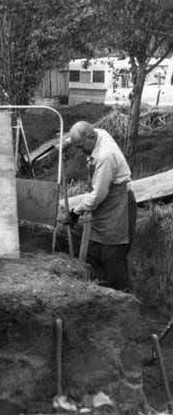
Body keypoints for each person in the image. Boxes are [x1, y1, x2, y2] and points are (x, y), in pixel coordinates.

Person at [67, 121, 136, 291]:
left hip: (118, 205)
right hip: (106, 205)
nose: (80, 151)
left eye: (81, 146)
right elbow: (81, 135)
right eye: (77, 146)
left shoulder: (105, 156)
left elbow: (99, 194)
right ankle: (100, 292)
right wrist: (64, 144)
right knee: (95, 250)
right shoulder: (98, 133)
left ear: (91, 137)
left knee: (113, 254)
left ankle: (123, 298)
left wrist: (75, 212)